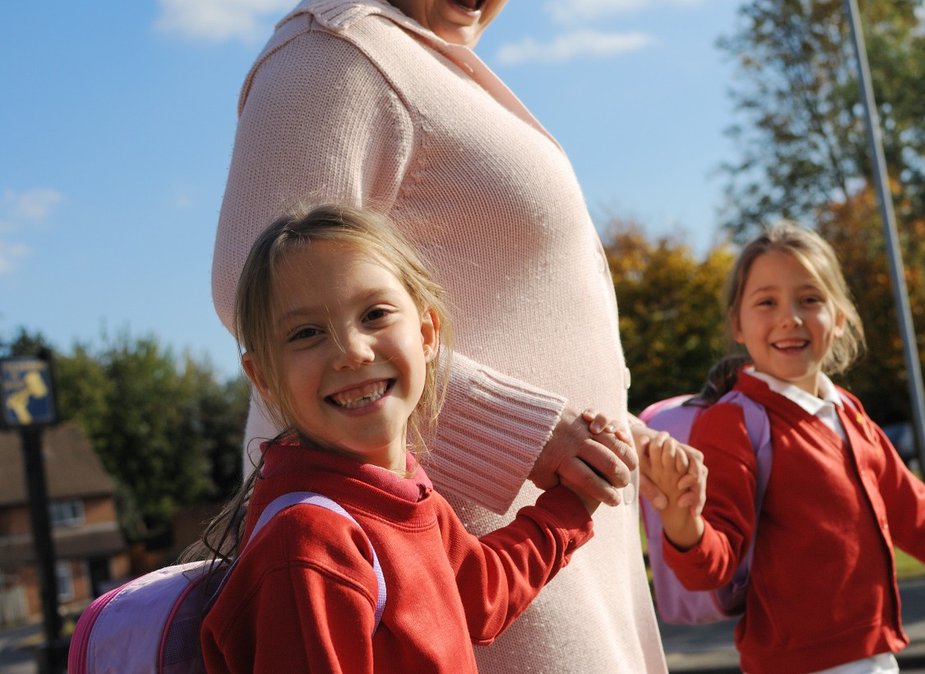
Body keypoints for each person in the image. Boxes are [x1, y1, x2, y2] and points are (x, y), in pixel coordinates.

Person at [210, 1, 680, 670]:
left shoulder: (412, 56)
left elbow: (512, 311)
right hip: (420, 548)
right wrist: (524, 434)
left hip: (501, 538)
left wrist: (618, 436)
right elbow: (253, 287)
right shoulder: (329, 56)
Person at [640, 224, 925, 674]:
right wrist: (682, 522)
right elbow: (711, 568)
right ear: (737, 324)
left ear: (839, 318)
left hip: (875, 657)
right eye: (767, 301)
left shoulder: (849, 412)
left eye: (810, 299)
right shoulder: (733, 422)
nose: (790, 317)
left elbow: (920, 517)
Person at [197, 204, 605, 672]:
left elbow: (478, 595)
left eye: (374, 314)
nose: (352, 351)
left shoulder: (400, 487)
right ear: (263, 376)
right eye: (306, 333)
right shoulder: (307, 545)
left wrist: (573, 503)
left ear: (427, 332)